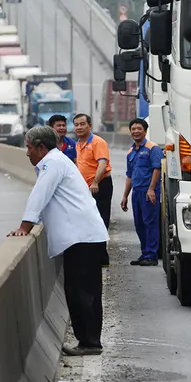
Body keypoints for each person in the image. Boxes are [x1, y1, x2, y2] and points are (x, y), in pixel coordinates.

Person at [8, 126, 107, 356]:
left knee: (82, 292)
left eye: (29, 147)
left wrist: (25, 227)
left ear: (41, 147)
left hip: (82, 238)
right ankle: (90, 341)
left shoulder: (52, 163)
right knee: (82, 291)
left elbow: (39, 195)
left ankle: (90, 343)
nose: (26, 153)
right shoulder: (57, 161)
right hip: (84, 236)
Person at [121, 118, 163, 266]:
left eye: (139, 128)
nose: (136, 131)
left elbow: (157, 169)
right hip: (136, 193)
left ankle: (152, 255)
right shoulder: (131, 151)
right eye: (133, 129)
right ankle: (144, 253)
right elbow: (129, 175)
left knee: (150, 222)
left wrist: (151, 189)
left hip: (148, 191)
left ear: (145, 131)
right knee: (139, 224)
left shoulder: (153, 148)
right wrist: (125, 195)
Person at [73, 114, 112, 267]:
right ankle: (94, 254)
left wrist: (95, 182)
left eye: (82, 124)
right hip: (86, 188)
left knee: (101, 220)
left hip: (100, 185)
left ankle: (102, 257)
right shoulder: (78, 144)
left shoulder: (97, 142)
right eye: (76, 125)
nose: (79, 127)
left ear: (90, 125)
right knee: (89, 220)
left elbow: (102, 164)